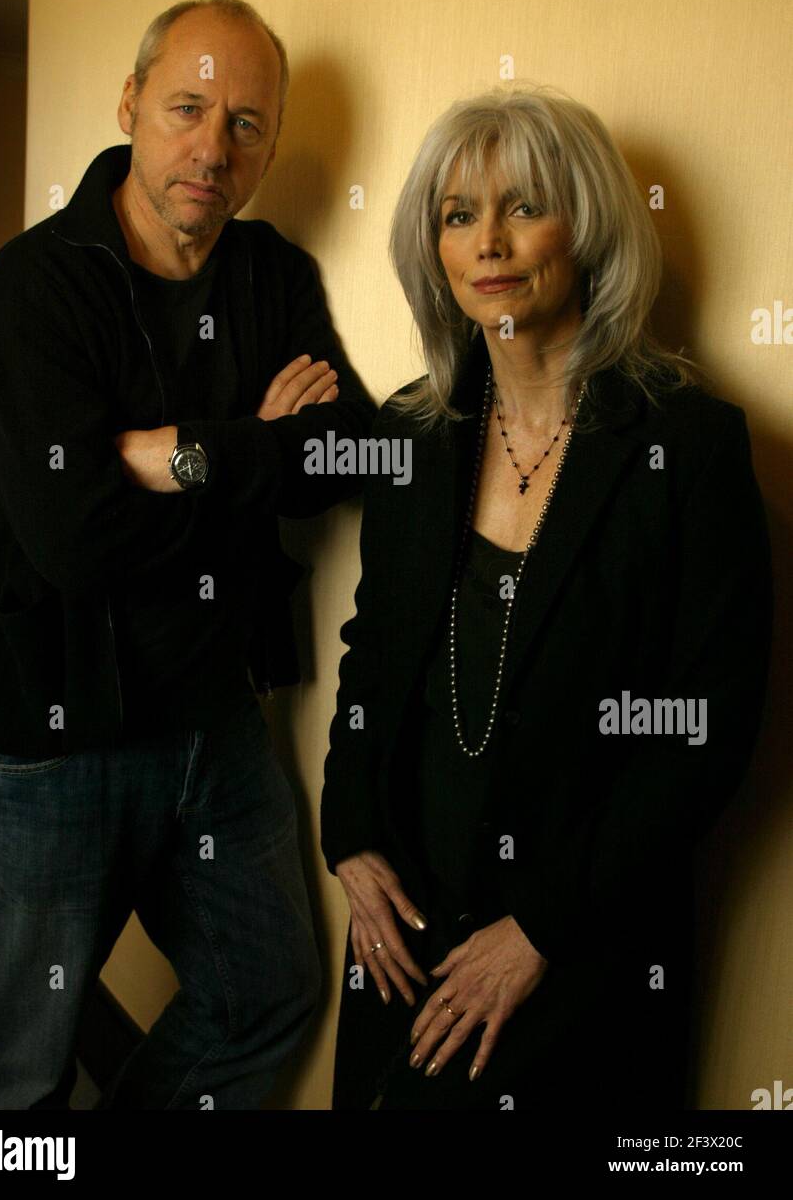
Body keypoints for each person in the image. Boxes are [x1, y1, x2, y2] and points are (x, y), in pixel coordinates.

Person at [0, 0, 376, 1109]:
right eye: (187, 105)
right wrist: (249, 448)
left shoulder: (269, 273)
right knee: (22, 1061)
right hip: (46, 731)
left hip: (211, 718)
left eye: (245, 124)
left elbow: (347, 455)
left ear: (270, 144)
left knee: (266, 995)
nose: (211, 146)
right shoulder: (34, 284)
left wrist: (161, 454)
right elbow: (71, 537)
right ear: (131, 100)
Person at [320, 86, 773, 1111]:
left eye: (523, 205)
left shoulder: (690, 447)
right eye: (456, 214)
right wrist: (346, 836)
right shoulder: (411, 435)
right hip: (406, 925)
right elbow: (369, 657)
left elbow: (705, 726)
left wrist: (541, 930)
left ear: (588, 226)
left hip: (582, 940)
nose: (489, 241)